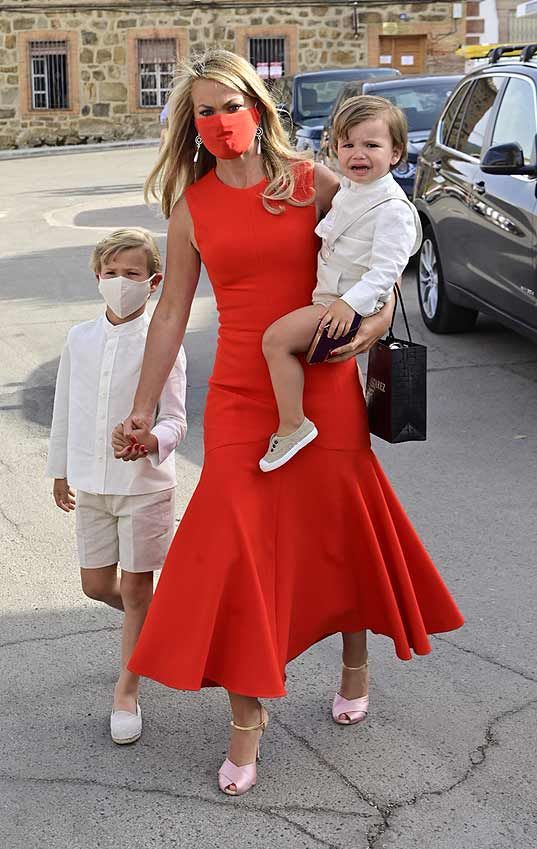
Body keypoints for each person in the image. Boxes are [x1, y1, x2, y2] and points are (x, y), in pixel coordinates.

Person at [115, 49, 463, 798]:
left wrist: (370, 329)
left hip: (323, 380)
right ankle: (248, 721)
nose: (217, 122)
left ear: (255, 106)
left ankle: (354, 663)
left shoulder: (314, 180)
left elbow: (380, 245)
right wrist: (142, 405)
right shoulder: (192, 208)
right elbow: (171, 311)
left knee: (335, 525)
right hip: (242, 395)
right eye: (202, 111)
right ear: (192, 125)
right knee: (237, 545)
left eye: (227, 105)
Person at [46, 228, 187, 745]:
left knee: (134, 586)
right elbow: (64, 406)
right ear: (96, 277)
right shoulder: (79, 338)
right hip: (90, 481)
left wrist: (153, 439)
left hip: (145, 485)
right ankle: (150, 628)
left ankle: (127, 690)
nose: (120, 283)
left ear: (153, 283)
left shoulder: (162, 340)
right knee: (96, 585)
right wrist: (59, 470)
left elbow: (176, 419)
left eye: (132, 275)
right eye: (111, 274)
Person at [259, 94, 422, 471]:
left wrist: (350, 305)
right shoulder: (350, 190)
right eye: (347, 144)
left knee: (276, 340)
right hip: (332, 300)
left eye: (371, 145)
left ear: (396, 153)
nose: (357, 153)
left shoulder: (394, 209)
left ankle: (293, 424)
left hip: (343, 307)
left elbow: (386, 272)